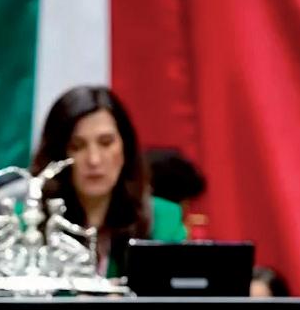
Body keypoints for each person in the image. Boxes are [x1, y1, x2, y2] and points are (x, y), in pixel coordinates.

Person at [33, 86, 187, 278]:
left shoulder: (164, 219)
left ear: (126, 148)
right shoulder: (28, 222)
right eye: (77, 146)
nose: (94, 160)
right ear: (57, 155)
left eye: (106, 143)